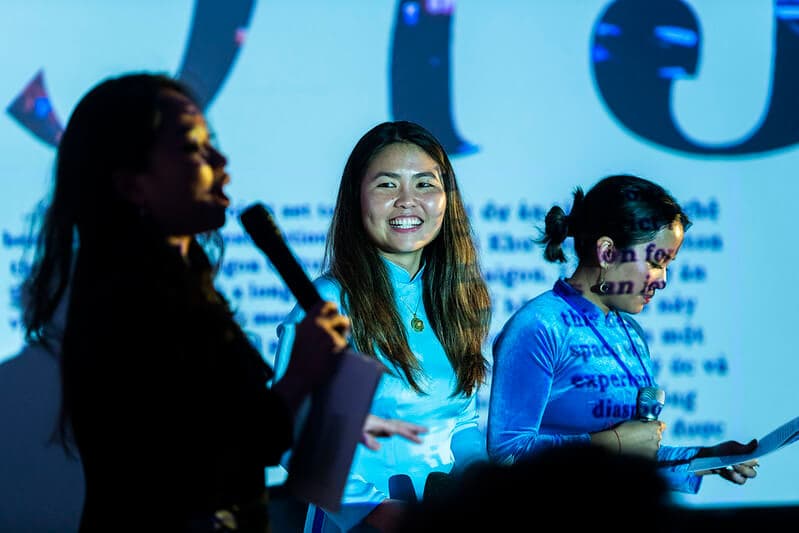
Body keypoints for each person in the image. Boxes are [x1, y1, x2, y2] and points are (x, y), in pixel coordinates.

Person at [20, 72, 422, 533]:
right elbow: (209, 453)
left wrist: (332, 416)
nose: (220, 160)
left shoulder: (185, 285)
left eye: (211, 143)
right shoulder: (125, 303)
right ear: (132, 183)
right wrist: (300, 374)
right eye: (192, 148)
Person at [274, 120, 492, 532]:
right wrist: (376, 510)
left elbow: (460, 425)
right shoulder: (326, 303)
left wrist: (484, 483)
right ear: (356, 197)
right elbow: (293, 436)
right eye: (387, 185)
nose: (408, 201)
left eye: (425, 185)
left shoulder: (458, 299)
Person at [487, 174, 759, 494]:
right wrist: (611, 443)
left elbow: (633, 458)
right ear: (607, 252)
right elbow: (507, 454)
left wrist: (707, 458)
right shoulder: (539, 326)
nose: (663, 280)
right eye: (656, 262)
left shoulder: (631, 333)